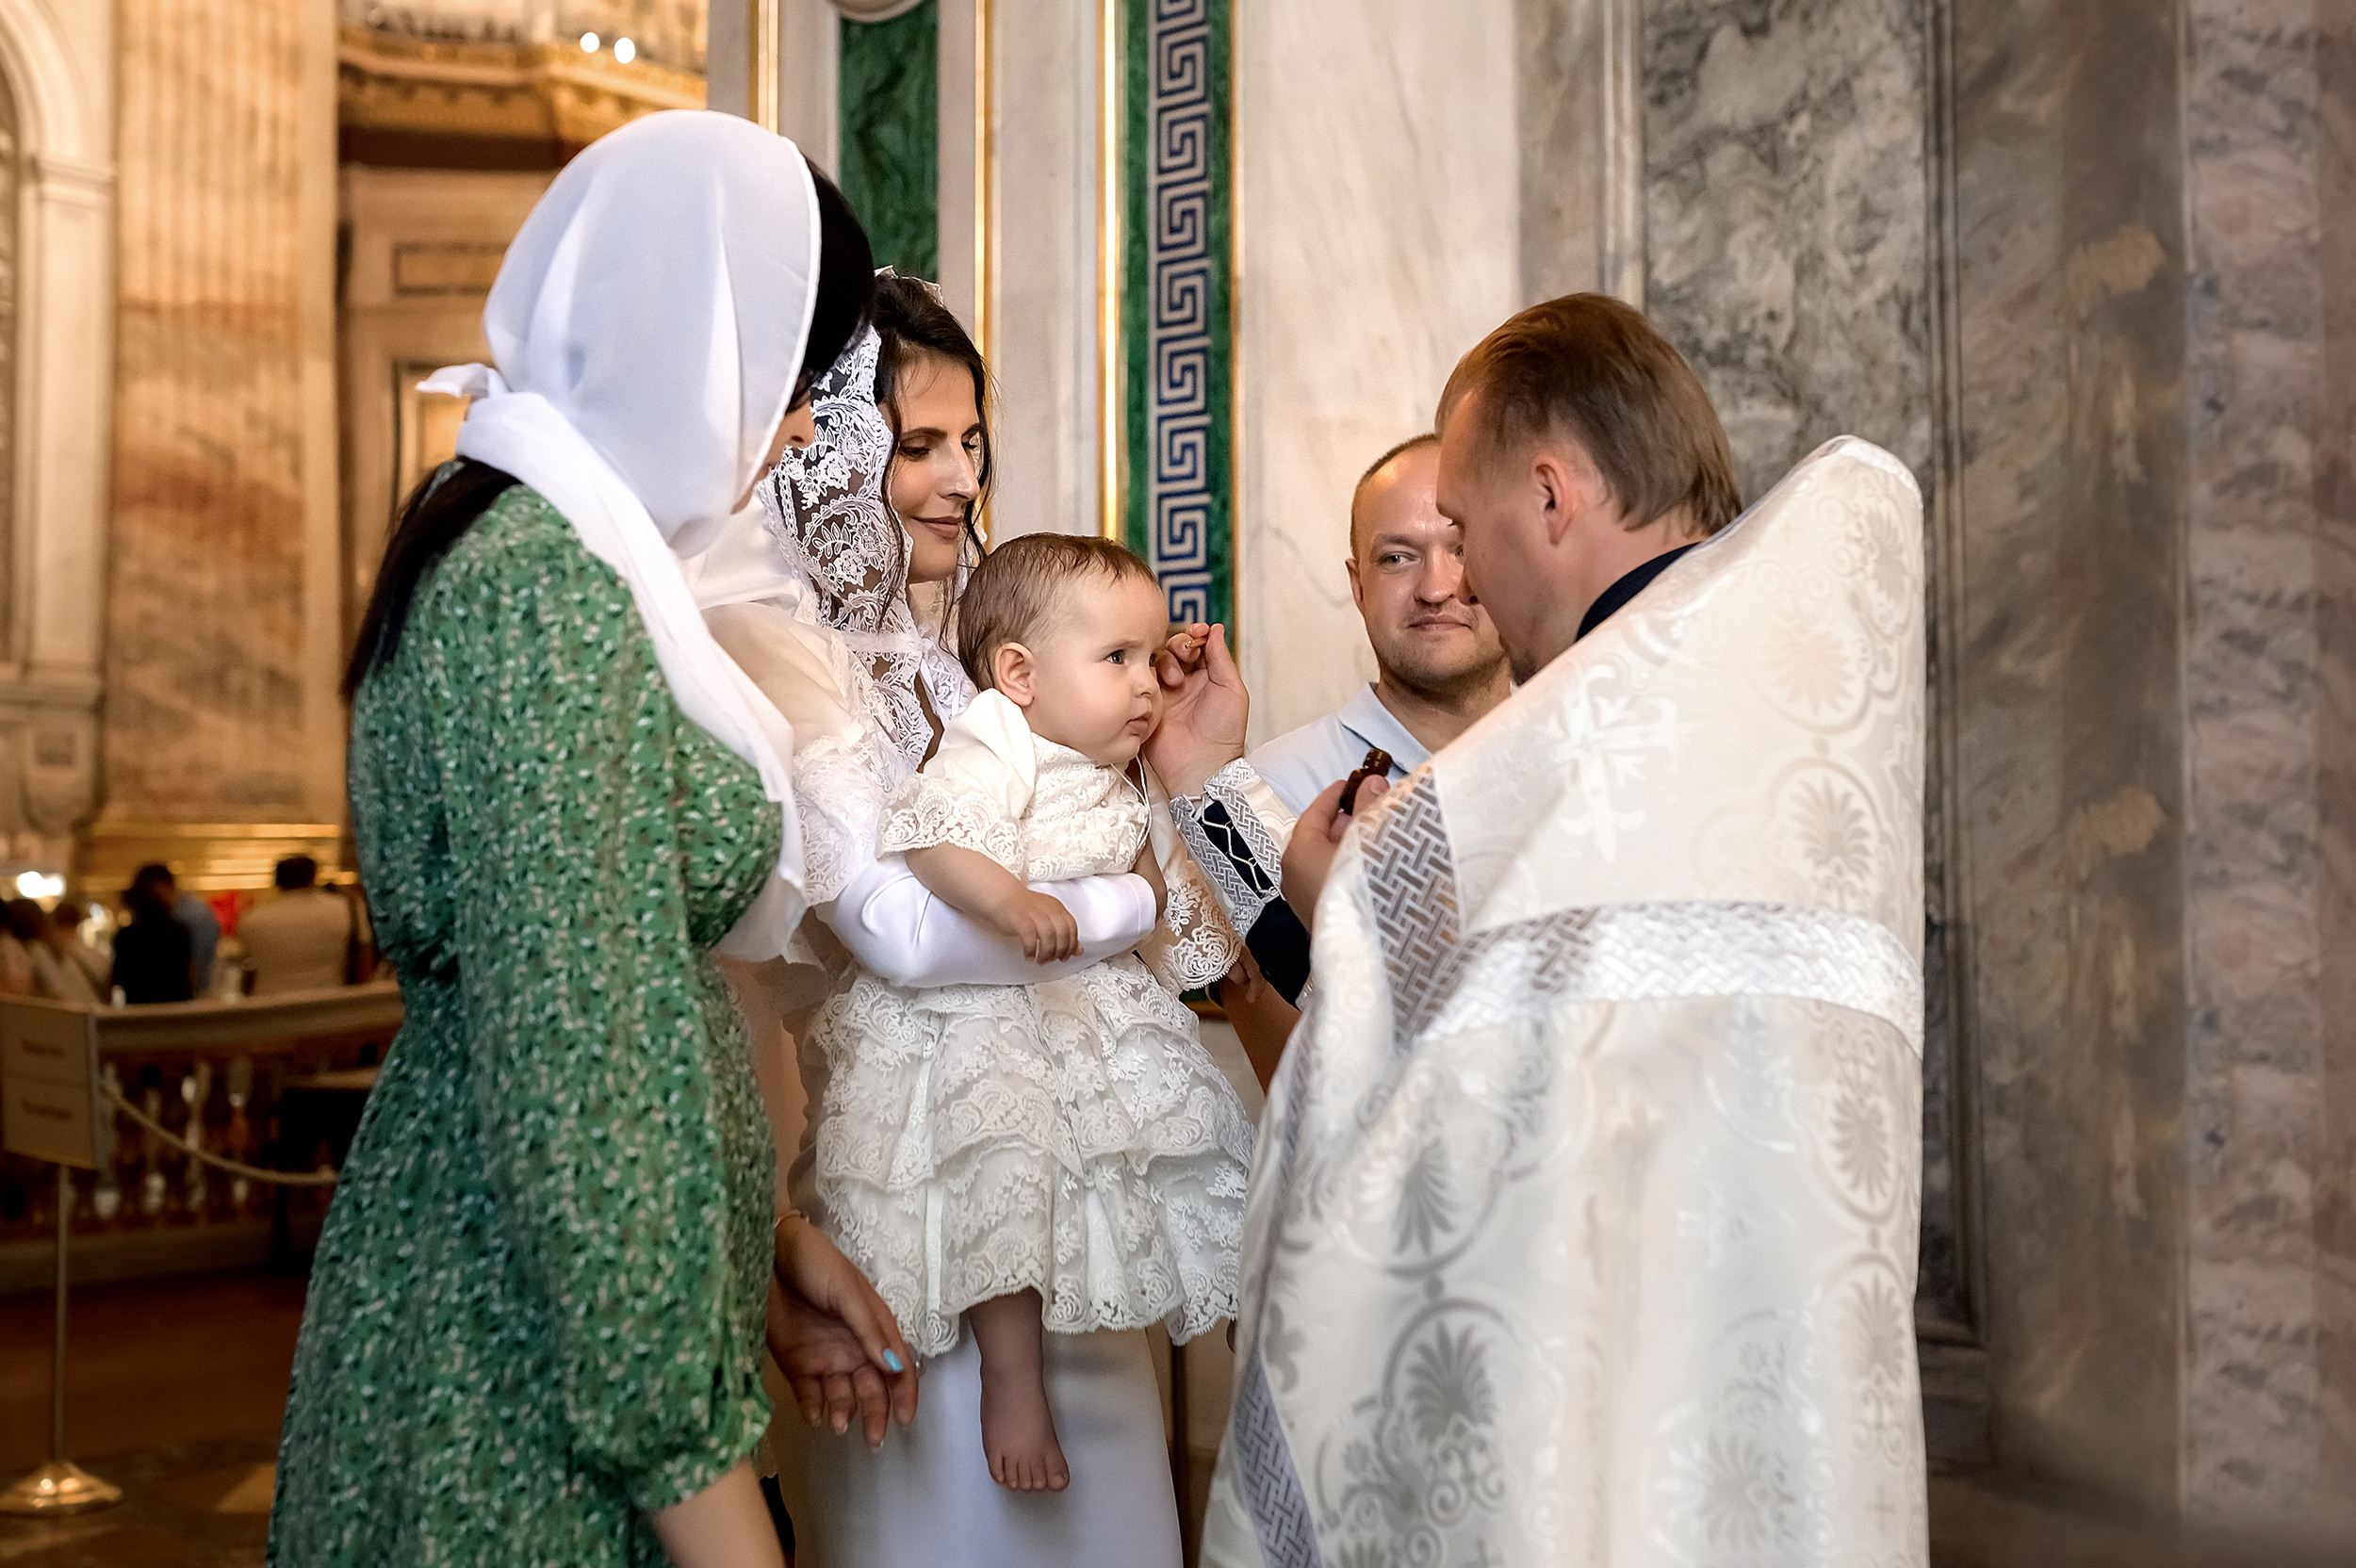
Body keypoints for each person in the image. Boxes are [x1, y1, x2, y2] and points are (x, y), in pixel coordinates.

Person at [1169, 294, 1930, 1566]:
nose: (1457, 575)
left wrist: (1323, 890)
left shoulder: (1576, 745)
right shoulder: (1775, 689)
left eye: (1463, 528)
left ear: (1552, 495)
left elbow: (1403, 1085)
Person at [269, 112, 912, 1568]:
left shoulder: (556, 553)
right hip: (529, 1382)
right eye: (793, 382)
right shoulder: (537, 590)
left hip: (569, 1323)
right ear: (695, 337)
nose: (802, 429)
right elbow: (583, 1084)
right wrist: (705, 1496)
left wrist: (754, 1259)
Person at [699, 275, 1190, 1567]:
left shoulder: (977, 650)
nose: (961, 478)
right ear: (834, 452)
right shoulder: (783, 660)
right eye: (918, 445)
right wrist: (1129, 904)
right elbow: (906, 938)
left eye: (971, 442)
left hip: (1066, 1190)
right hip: (904, 1199)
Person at [803, 533, 1250, 1494]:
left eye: (1150, 654)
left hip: (1071, 1015)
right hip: (981, 1019)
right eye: (1117, 658)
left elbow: (1199, 913)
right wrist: (1021, 903)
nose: (1144, 684)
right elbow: (932, 846)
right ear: (1018, 673)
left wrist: (1197, 774)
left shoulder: (1121, 767)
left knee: (1159, 1165)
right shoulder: (998, 735)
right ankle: (1015, 1379)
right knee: (1002, 1169)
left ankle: (1248, 1313)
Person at [1250, 433, 1511, 814]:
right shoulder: (1275, 790)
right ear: (1358, 588)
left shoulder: (1590, 757)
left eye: (1463, 550)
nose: (1436, 589)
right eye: (1396, 559)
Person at [238, 855, 353, 995]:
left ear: (277, 883)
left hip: (270, 1006)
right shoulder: (341, 908)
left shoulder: (253, 920)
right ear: (313, 877)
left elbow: (244, 965)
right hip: (327, 1002)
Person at [131, 862, 219, 994]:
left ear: (161, 887)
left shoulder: (192, 917)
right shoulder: (192, 913)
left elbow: (196, 966)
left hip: (191, 997)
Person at [110, 883, 194, 1004]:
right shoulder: (180, 932)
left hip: (136, 1013)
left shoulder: (126, 936)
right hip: (176, 1011)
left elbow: (117, 980)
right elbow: (189, 975)